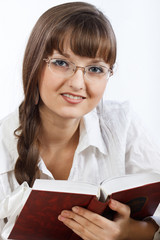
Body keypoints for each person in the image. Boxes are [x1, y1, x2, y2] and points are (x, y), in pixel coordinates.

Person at [0, 1, 160, 239]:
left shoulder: (123, 125)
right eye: (62, 63)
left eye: (95, 69)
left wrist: (129, 232)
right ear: (35, 63)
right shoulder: (3, 144)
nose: (77, 83)